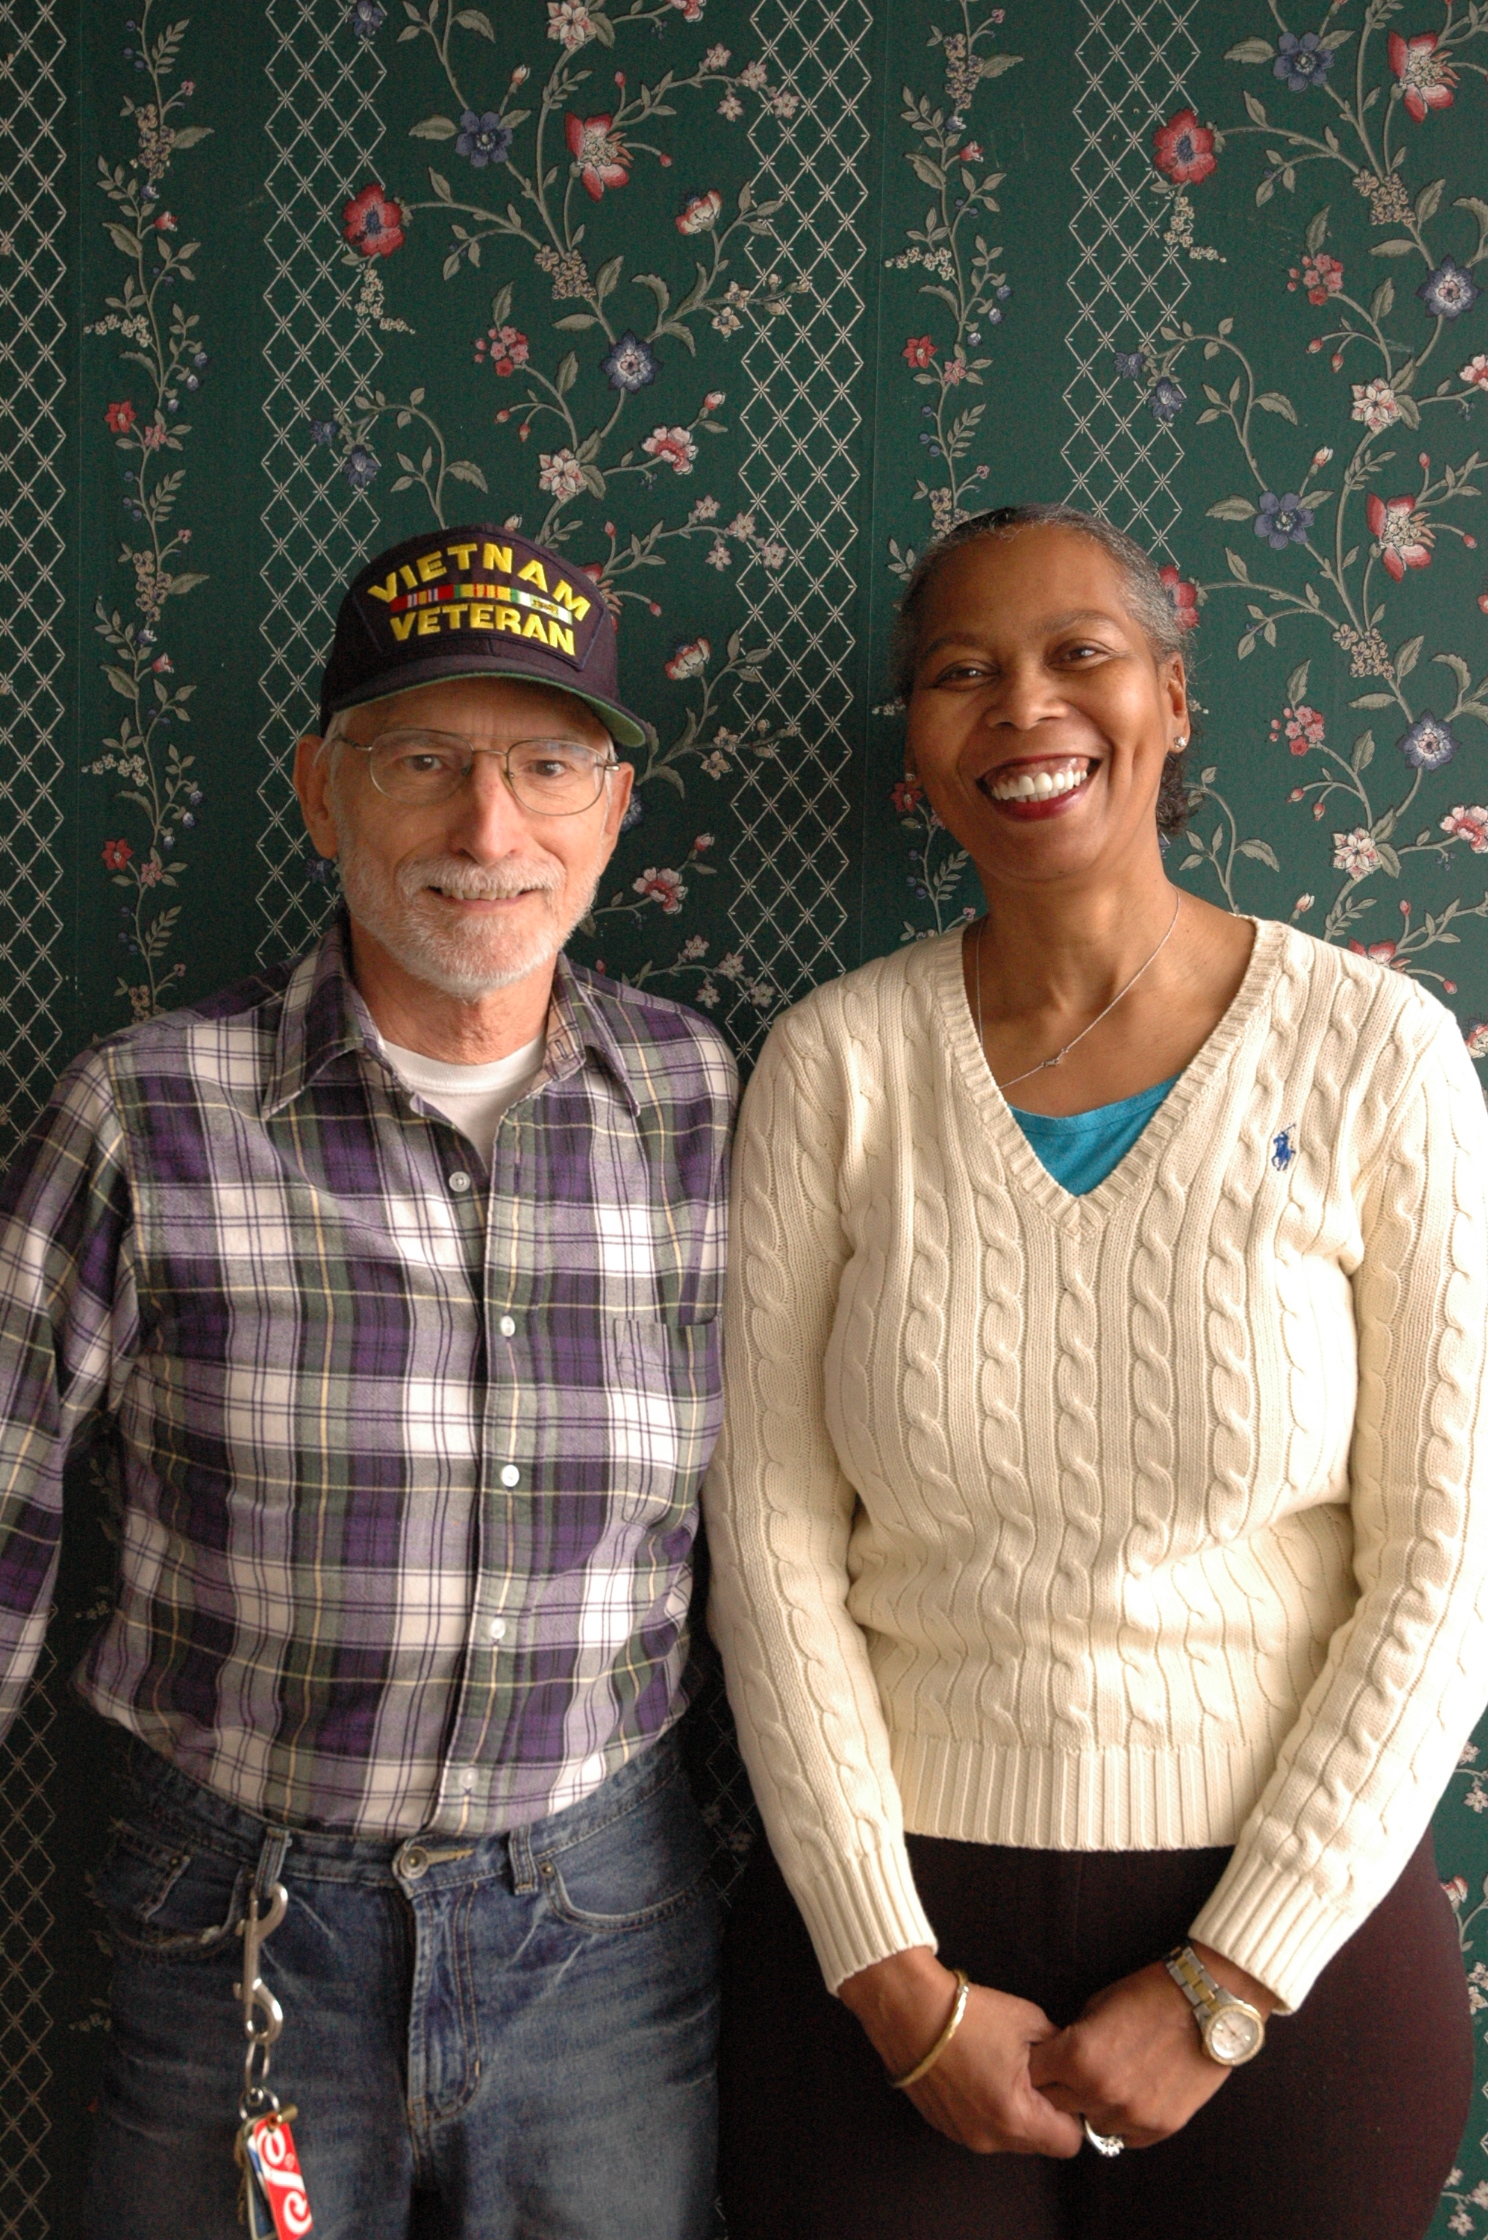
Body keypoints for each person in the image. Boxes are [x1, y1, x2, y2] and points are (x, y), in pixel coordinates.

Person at [704, 502, 1488, 2240]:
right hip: (888, 1946)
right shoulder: (831, 1066)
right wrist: (895, 1985)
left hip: (1297, 1957)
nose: (1023, 709)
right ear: (914, 741)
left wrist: (1229, 1980)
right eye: (960, 674)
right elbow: (763, 1546)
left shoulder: (1380, 1053)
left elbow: (1448, 1568)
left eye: (1081, 655)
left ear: (1174, 698)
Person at [0, 523, 735, 2240]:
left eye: (549, 767)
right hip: (233, 1922)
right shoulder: (145, 1107)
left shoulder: (706, 1099)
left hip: (606, 1926)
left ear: (614, 809)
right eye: (425, 764)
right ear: (327, 793)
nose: (492, 832)